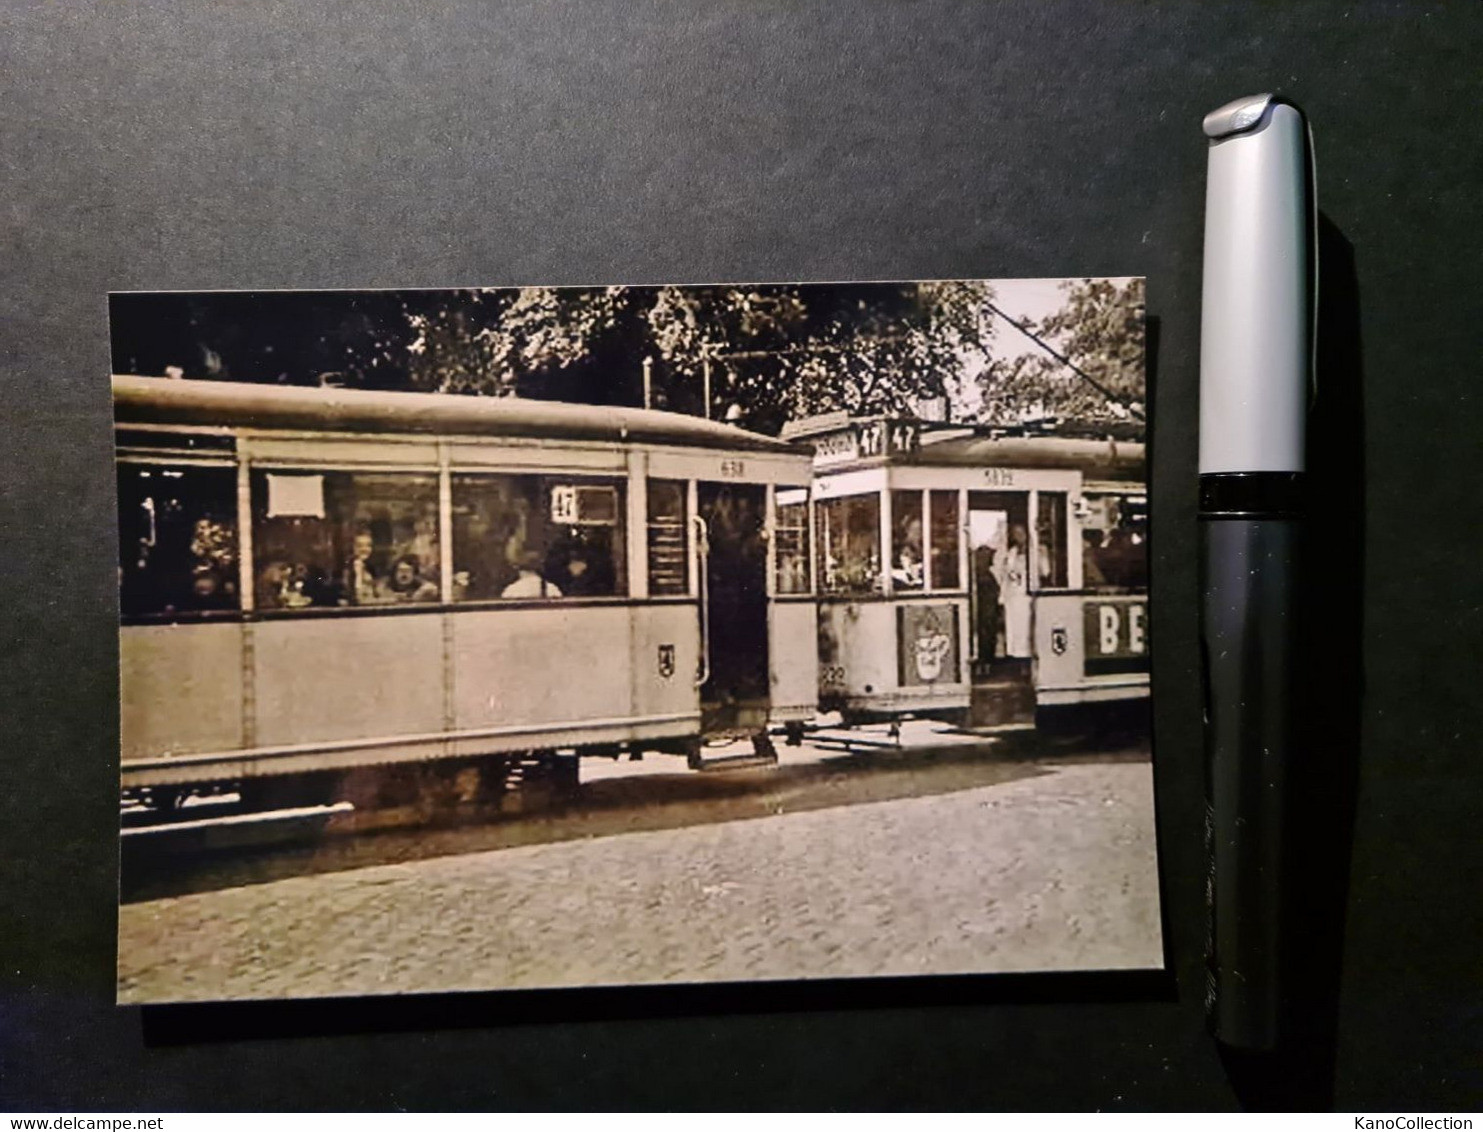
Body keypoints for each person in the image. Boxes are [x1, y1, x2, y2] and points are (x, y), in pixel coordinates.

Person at [340, 529, 380, 606]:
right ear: (352, 547)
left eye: (368, 545)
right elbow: (352, 594)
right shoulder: (347, 569)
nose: (364, 549)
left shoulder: (372, 568)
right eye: (359, 546)